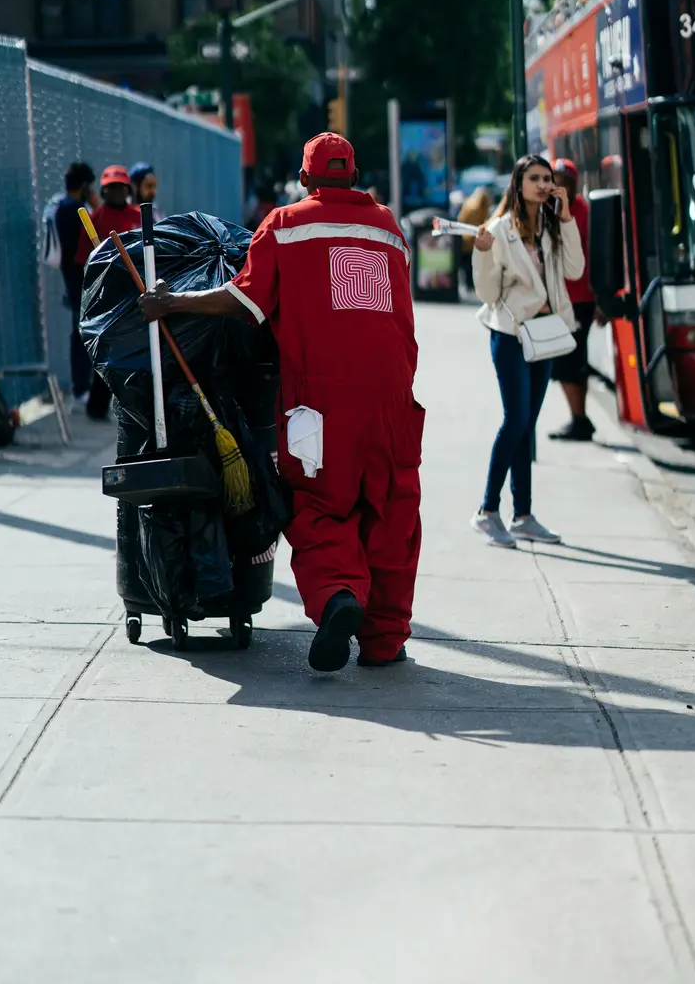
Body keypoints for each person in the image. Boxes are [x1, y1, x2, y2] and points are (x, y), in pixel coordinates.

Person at [141, 132, 424, 673]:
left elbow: (243, 300)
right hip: (392, 397)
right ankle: (385, 640)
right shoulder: (389, 228)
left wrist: (170, 303)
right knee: (392, 511)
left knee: (320, 504)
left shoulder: (285, 224)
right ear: (354, 175)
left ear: (304, 178)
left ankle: (339, 595)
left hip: (319, 401)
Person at [470, 154, 584, 548]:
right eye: (533, 178)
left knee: (525, 425)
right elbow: (487, 294)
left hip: (545, 334)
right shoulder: (499, 230)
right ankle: (487, 511)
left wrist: (566, 218)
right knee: (515, 420)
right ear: (518, 183)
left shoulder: (552, 225)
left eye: (547, 178)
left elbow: (575, 270)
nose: (542, 184)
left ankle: (523, 515)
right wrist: (482, 253)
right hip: (511, 335)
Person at [76, 165, 141, 419]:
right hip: (107, 294)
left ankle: (136, 406)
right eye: (111, 187)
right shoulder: (95, 220)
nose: (116, 192)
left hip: (136, 290)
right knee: (107, 351)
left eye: (120, 187)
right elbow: (83, 261)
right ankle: (98, 406)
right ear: (104, 191)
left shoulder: (138, 216)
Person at [548, 158, 599, 441]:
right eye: (555, 180)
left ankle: (580, 419)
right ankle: (579, 418)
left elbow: (595, 255)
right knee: (569, 361)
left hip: (579, 299)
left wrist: (600, 299)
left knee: (570, 361)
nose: (558, 185)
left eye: (563, 180)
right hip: (558, 298)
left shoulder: (583, 211)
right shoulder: (549, 209)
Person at [54, 162, 97, 411]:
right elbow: (94, 239)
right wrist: (96, 206)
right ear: (84, 186)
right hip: (82, 279)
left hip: (72, 278)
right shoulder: (78, 211)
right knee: (84, 333)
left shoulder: (61, 208)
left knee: (79, 331)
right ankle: (82, 387)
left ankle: (81, 386)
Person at [457, 187, 492, 293]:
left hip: (467, 239)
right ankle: (471, 285)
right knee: (472, 264)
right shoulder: (481, 208)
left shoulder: (469, 205)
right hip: (473, 239)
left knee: (467, 264)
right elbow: (486, 222)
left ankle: (468, 285)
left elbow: (461, 219)